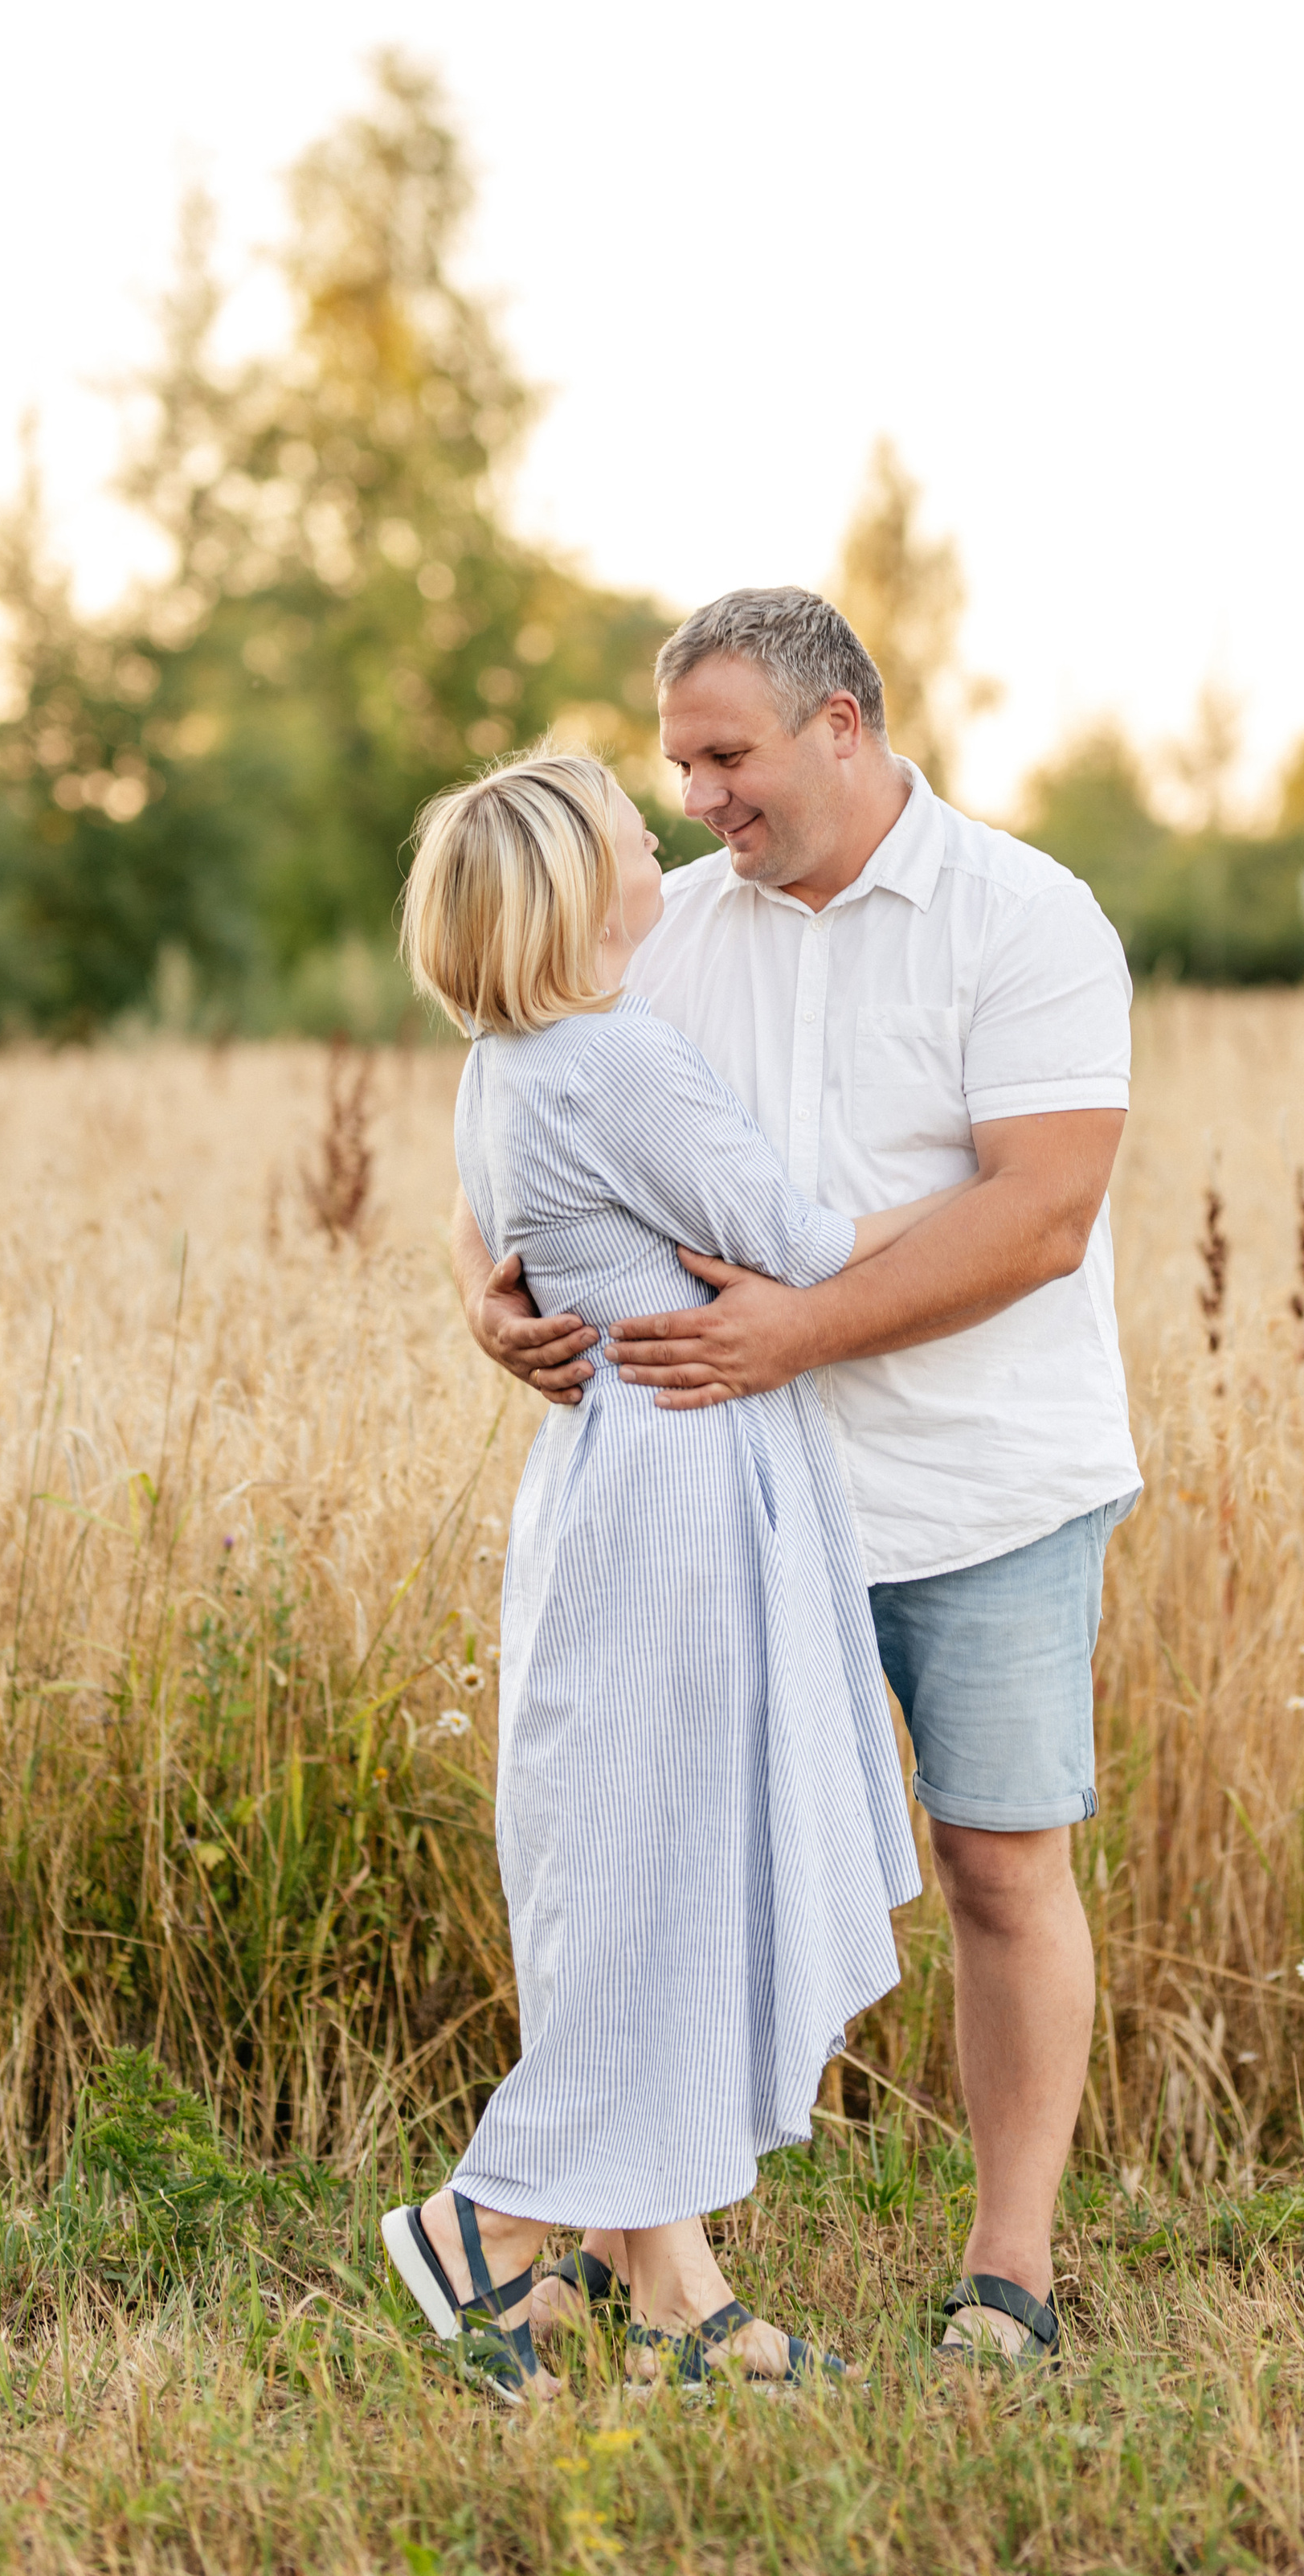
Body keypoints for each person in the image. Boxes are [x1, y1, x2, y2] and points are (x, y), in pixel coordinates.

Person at [454, 589, 1140, 2370]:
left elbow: (1044, 1212)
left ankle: (1006, 2277)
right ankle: (643, 2257)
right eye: (677, 759)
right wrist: (486, 1296)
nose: (694, 794)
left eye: (723, 754)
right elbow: (515, 1102)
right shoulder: (661, 932)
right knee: (672, 1866)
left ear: (843, 723)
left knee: (999, 1867)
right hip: (726, 1513)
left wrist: (793, 1332)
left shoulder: (1025, 918)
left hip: (981, 1486)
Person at [382, 749, 943, 2402]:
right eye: (634, 821)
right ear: (580, 882)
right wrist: (991, 1211)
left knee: (639, 1870)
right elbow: (796, 1241)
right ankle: (482, 2223)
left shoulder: (505, 1063)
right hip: (687, 1483)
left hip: (613, 1477)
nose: (661, 827)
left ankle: (677, 2297)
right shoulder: (617, 1059)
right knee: (673, 1868)